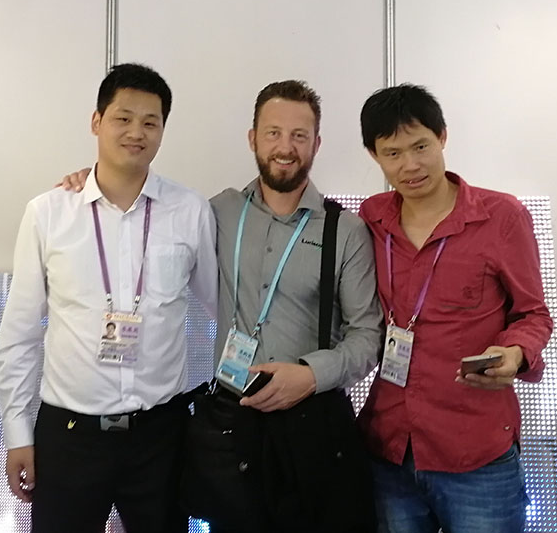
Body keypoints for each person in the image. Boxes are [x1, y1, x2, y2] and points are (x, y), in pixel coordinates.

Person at [58, 79, 383, 533]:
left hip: (311, 427)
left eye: (299, 135)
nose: (285, 147)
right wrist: (94, 179)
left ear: (317, 143)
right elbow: (139, 210)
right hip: (231, 425)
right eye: (273, 133)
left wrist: (311, 375)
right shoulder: (214, 212)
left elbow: (368, 336)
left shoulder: (345, 230)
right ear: (253, 139)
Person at [0, 63, 217, 533]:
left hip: (162, 436)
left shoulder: (190, 210)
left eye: (150, 122)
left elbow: (224, 307)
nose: (136, 132)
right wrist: (17, 432)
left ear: (162, 131)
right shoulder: (48, 213)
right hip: (70, 436)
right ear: (96, 122)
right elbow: (19, 333)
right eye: (123, 118)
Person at [356, 83, 553, 533]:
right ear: (374, 156)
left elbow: (533, 314)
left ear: (442, 136)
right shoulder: (371, 218)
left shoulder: (502, 216)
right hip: (389, 447)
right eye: (392, 153)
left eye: (420, 146)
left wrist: (515, 353)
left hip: (474, 450)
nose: (410, 165)